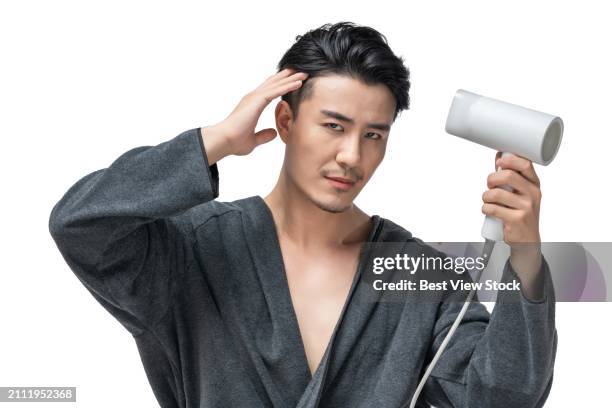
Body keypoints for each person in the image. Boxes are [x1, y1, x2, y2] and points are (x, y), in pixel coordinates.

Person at [48, 22, 557, 407]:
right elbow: (80, 225)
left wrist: (527, 258)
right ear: (286, 120)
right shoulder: (192, 251)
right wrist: (215, 141)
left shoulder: (422, 276)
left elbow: (501, 397)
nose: (353, 156)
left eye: (374, 134)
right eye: (333, 125)